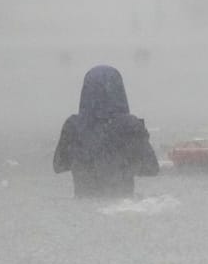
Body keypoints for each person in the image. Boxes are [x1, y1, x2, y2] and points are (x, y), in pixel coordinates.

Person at [53, 65, 159, 198]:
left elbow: (59, 165)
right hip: (122, 204)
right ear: (120, 91)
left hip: (84, 203)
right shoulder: (130, 125)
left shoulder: (73, 126)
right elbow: (151, 168)